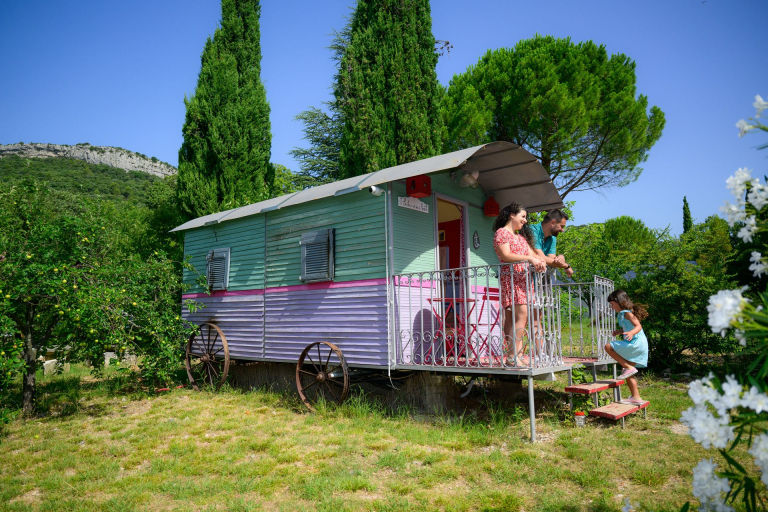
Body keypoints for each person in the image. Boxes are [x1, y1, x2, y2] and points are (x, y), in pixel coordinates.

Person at [492, 203, 546, 365]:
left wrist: (539, 260)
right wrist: (530, 259)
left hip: (524, 280)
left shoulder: (520, 237)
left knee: (515, 319)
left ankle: (517, 355)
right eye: (522, 216)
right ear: (512, 215)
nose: (525, 221)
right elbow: (506, 255)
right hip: (512, 279)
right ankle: (512, 357)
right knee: (521, 316)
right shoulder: (502, 233)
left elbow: (532, 254)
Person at [605, 289, 649, 405]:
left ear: (618, 301)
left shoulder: (627, 312)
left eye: (612, 304)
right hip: (637, 344)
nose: (611, 307)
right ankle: (636, 397)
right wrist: (620, 332)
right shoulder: (622, 314)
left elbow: (638, 326)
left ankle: (627, 366)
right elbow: (628, 327)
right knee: (628, 373)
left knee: (608, 346)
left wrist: (631, 333)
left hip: (636, 343)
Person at [529, 209, 574, 278]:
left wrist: (560, 258)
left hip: (534, 280)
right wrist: (566, 266)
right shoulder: (532, 230)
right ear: (553, 222)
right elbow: (541, 257)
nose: (563, 230)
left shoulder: (553, 237)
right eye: (561, 226)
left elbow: (552, 259)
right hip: (521, 276)